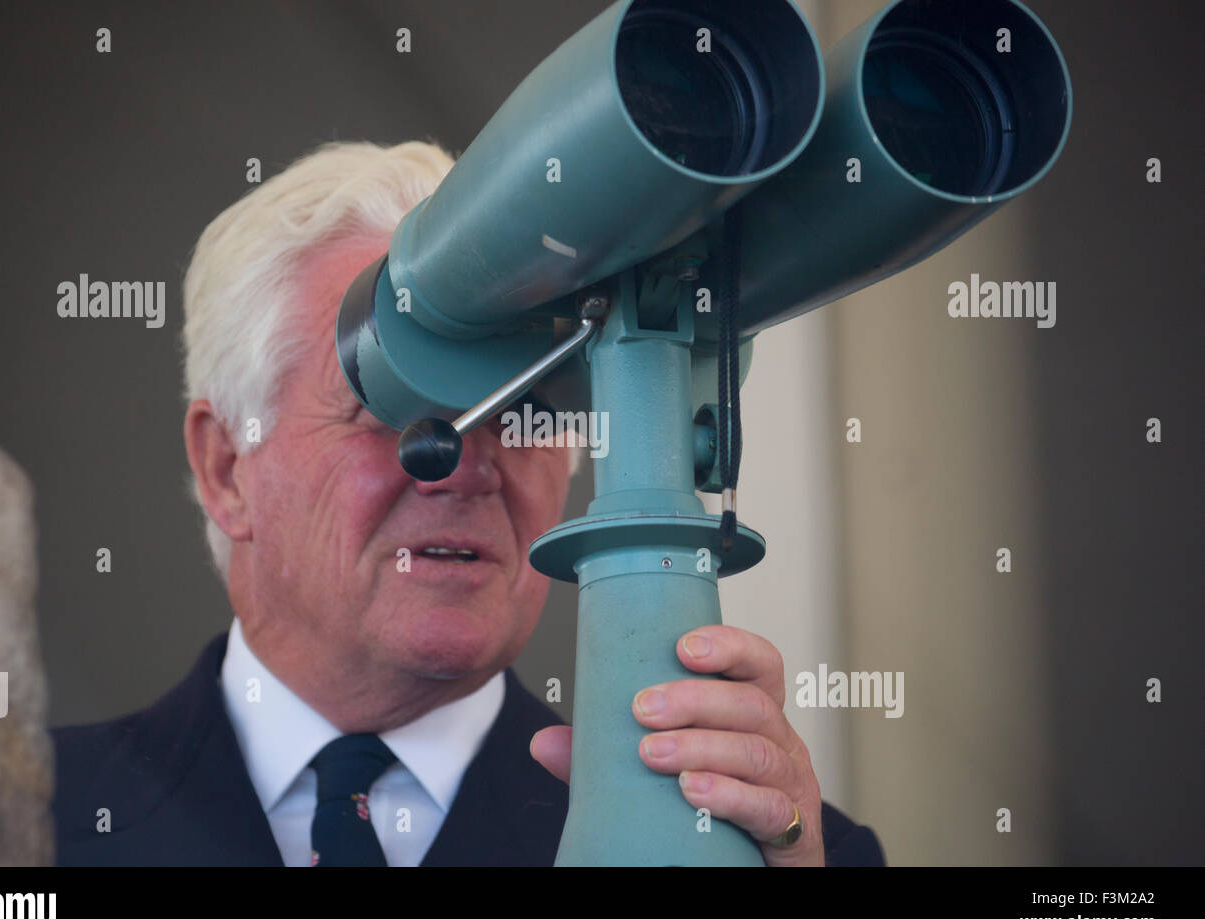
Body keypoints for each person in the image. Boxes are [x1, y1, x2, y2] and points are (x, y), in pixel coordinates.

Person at [50, 141, 885, 867]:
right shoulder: (4, 832)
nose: (466, 467)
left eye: (525, 407)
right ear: (228, 466)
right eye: (394, 407)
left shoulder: (796, 854)